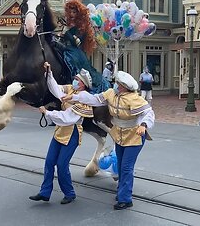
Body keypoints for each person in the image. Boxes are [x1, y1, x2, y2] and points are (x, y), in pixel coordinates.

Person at [63, 71, 155, 210]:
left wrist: (144, 125)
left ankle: (125, 199)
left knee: (126, 167)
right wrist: (75, 97)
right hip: (119, 134)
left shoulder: (134, 99)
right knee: (120, 165)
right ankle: (122, 191)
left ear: (124, 86)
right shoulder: (111, 94)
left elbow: (148, 113)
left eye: (118, 84)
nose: (116, 85)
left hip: (134, 135)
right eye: (116, 83)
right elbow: (94, 99)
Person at [29, 62, 94, 204]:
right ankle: (45, 192)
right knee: (49, 162)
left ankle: (69, 193)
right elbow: (56, 89)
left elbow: (68, 117)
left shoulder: (84, 99)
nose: (74, 81)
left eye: (77, 80)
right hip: (60, 131)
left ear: (83, 84)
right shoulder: (71, 90)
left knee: (62, 164)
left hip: (72, 132)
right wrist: (49, 72)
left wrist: (47, 112)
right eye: (75, 78)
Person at [59, 0, 110, 94]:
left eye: (74, 12)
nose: (72, 14)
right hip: (65, 48)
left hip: (75, 51)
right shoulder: (67, 25)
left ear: (78, 14)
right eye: (70, 12)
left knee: (72, 60)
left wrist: (67, 33)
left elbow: (76, 42)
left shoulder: (81, 27)